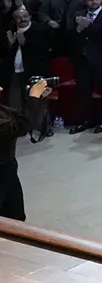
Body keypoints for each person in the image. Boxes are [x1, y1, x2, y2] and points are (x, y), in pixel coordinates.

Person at [0, 76, 51, 220]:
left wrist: (36, 98)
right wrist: (33, 98)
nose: (1, 89)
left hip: (8, 167)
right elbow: (19, 126)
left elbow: (16, 116)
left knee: (16, 216)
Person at [70, 0, 102, 134]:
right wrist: (78, 30)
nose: (94, 2)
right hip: (82, 58)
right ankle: (86, 120)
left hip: (101, 58)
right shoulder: (78, 14)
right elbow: (70, 34)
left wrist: (89, 26)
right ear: (86, 1)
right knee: (83, 91)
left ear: (101, 0)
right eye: (90, 0)